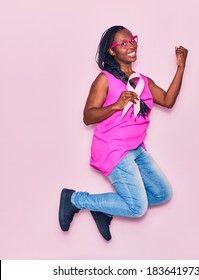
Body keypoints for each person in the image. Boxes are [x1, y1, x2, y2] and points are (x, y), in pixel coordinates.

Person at [58, 25, 188, 241]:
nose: (131, 45)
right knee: (137, 208)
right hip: (113, 149)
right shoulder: (104, 79)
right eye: (123, 43)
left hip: (136, 149)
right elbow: (88, 116)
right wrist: (115, 106)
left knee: (162, 193)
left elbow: (167, 100)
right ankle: (75, 200)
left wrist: (181, 67)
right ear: (112, 51)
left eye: (132, 40)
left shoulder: (142, 81)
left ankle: (106, 209)